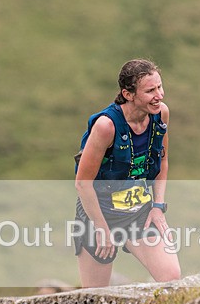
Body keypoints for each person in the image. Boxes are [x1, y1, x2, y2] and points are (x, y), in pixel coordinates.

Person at [73, 58, 182, 288]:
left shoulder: (161, 114)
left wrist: (158, 207)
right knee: (95, 300)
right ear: (128, 94)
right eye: (150, 90)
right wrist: (101, 229)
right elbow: (82, 184)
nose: (159, 95)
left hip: (138, 210)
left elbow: (162, 160)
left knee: (171, 278)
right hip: (98, 212)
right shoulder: (106, 126)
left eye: (160, 87)